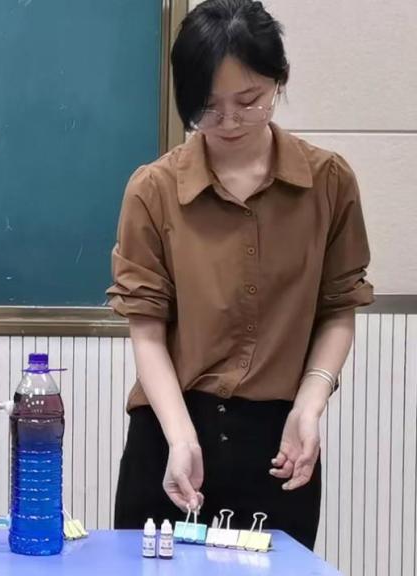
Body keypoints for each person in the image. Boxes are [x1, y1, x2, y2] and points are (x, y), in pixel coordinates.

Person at [107, 0, 373, 549]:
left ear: (280, 79)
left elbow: (338, 310)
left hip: (279, 442)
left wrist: (309, 405)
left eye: (249, 101)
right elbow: (147, 332)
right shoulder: (153, 190)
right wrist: (181, 438)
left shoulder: (328, 183)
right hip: (172, 436)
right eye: (206, 108)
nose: (228, 122)